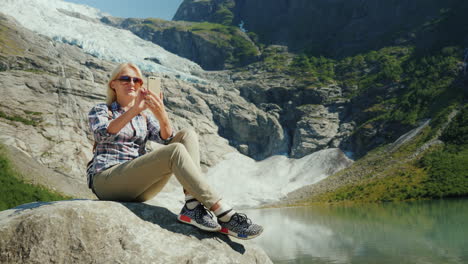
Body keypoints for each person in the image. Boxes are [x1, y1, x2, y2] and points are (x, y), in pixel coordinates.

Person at [86, 62, 263, 240]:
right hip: (106, 180)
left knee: (187, 135)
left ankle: (192, 206)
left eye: (137, 80)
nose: (131, 83)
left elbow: (167, 138)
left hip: (137, 186)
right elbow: (103, 134)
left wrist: (161, 113)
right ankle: (225, 213)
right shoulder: (102, 110)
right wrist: (134, 109)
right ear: (113, 84)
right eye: (125, 79)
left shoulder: (143, 117)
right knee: (174, 151)